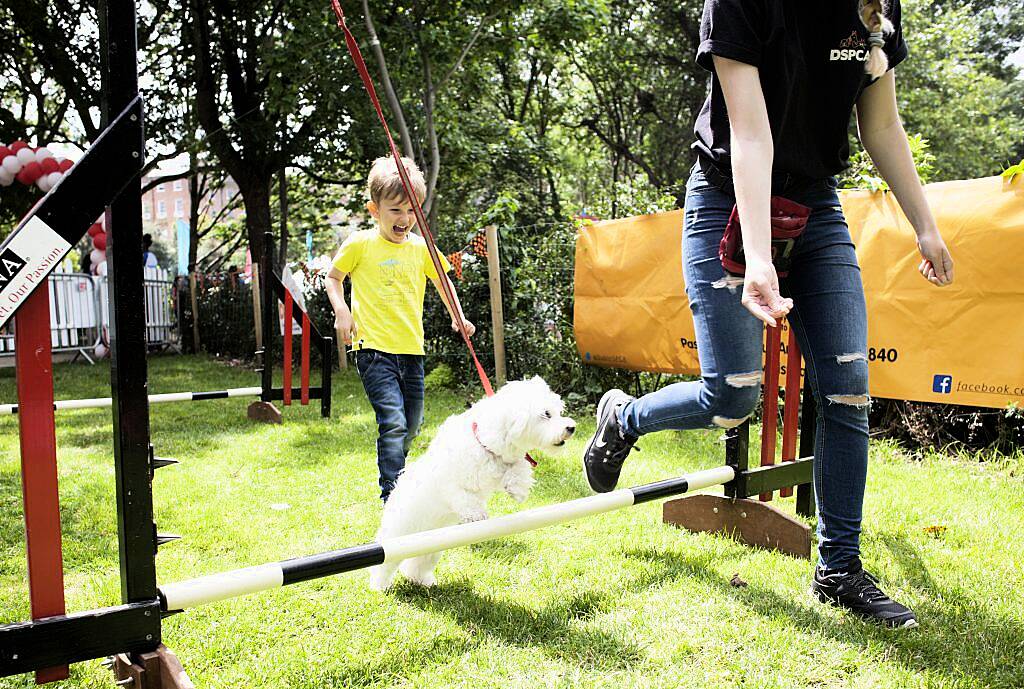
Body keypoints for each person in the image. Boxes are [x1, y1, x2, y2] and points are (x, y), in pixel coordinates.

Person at [582, 0, 953, 628]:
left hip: (817, 211)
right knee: (731, 398)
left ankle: (839, 570)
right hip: (727, 202)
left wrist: (927, 227)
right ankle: (625, 417)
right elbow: (751, 134)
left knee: (848, 392)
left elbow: (882, 127)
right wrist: (758, 258)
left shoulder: (875, 6)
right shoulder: (739, 4)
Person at [325, 156, 476, 502]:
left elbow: (444, 282)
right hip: (373, 350)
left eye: (412, 210)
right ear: (374, 209)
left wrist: (457, 314)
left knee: (412, 424)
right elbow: (333, 279)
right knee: (393, 423)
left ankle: (400, 475)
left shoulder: (422, 248)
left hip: (412, 352)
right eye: (395, 210)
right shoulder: (360, 244)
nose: (405, 219)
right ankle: (392, 495)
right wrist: (342, 312)